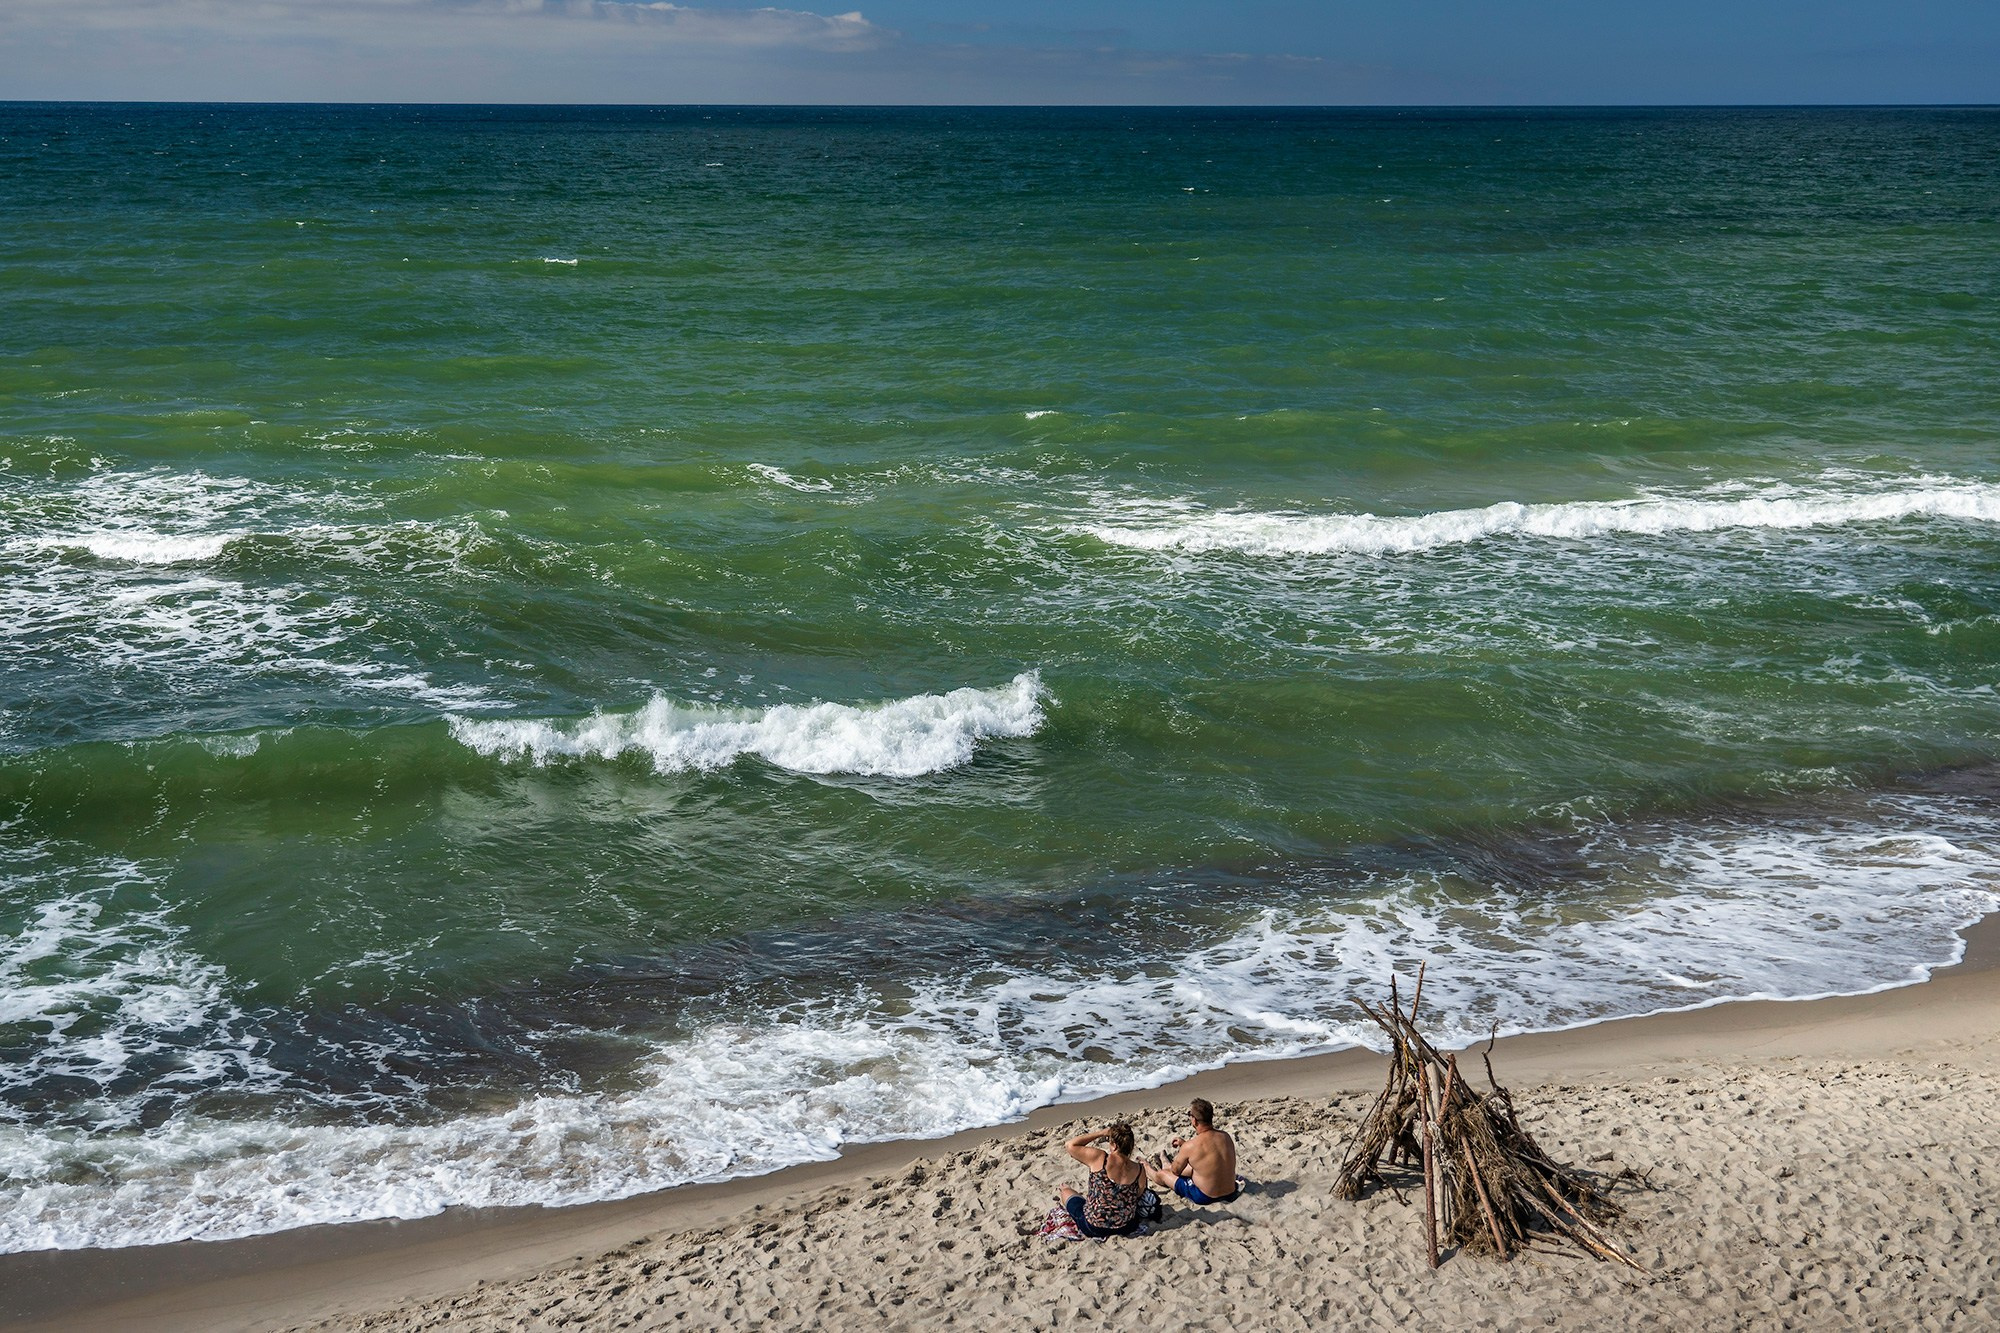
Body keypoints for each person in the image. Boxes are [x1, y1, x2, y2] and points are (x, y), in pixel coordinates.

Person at [1055, 1121, 1148, 1238]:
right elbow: (1139, 1193)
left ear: (1113, 1145)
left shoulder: (1100, 1158)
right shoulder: (1139, 1169)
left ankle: (1066, 1190)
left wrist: (1101, 1133)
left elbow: (1070, 1145)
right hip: (1126, 1227)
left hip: (1094, 1227)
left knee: (1066, 1192)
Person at [1149, 1097, 1240, 1204]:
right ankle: (1164, 1162)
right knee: (1196, 1166)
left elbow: (1175, 1171)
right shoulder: (1226, 1136)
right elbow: (1208, 1154)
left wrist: (1184, 1148)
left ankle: (1146, 1167)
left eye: (1190, 1115)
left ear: (1194, 1120)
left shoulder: (1191, 1146)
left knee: (1163, 1173)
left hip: (1206, 1196)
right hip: (1231, 1193)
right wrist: (1185, 1144)